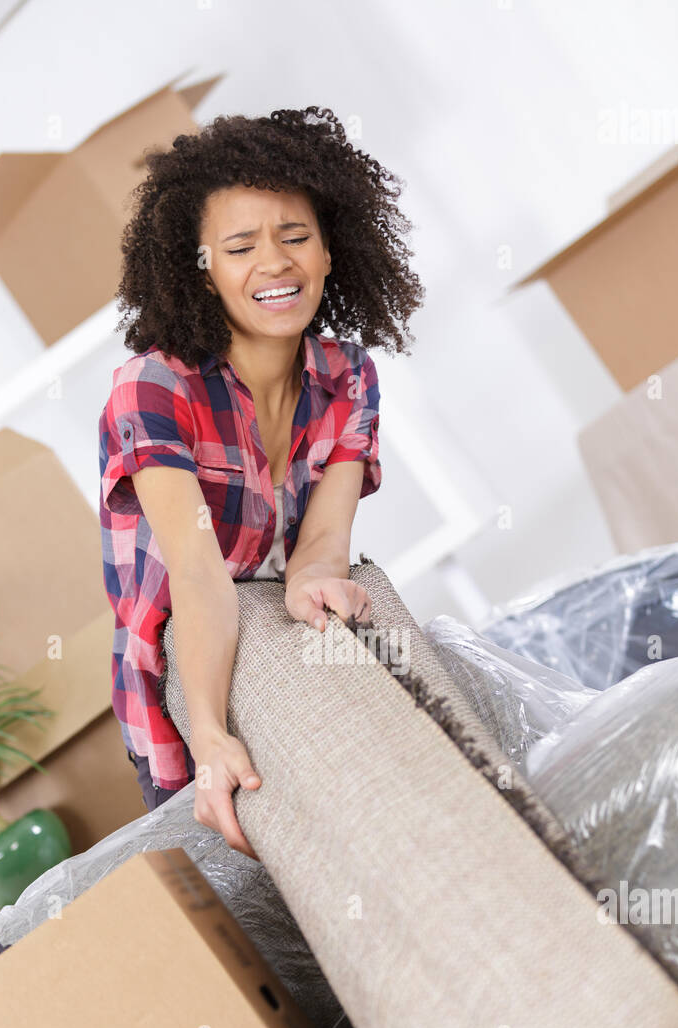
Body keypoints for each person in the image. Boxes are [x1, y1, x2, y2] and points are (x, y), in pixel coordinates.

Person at [99, 106, 424, 856]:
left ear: (330, 252)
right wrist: (209, 734)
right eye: (241, 246)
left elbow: (322, 540)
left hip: (281, 650)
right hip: (179, 682)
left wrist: (318, 581)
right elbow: (197, 568)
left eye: (296, 237)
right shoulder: (153, 389)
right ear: (201, 268)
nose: (275, 263)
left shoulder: (349, 378)